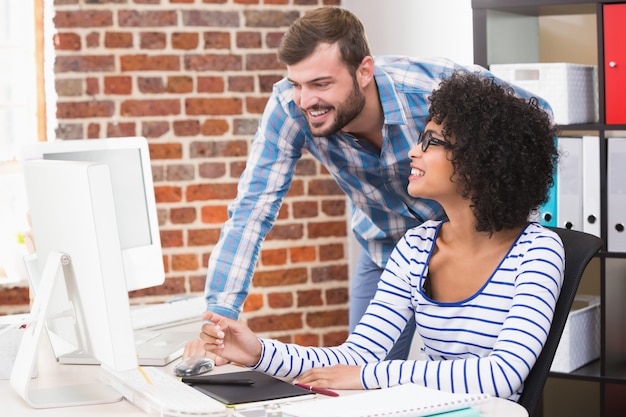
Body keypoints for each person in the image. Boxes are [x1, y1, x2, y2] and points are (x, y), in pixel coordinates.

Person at [185, 6, 551, 363]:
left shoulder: (428, 85)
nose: (306, 99)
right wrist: (220, 319)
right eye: (296, 83)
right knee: (360, 375)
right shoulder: (289, 107)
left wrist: (508, 218)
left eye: (321, 83)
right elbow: (252, 209)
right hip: (388, 246)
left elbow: (532, 119)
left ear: (364, 71)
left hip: (474, 243)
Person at [197, 71, 564, 401]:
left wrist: (371, 376)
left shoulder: (538, 252)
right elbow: (356, 355)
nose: (412, 151)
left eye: (431, 141)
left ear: (480, 160)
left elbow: (502, 374)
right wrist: (258, 352)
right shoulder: (416, 247)